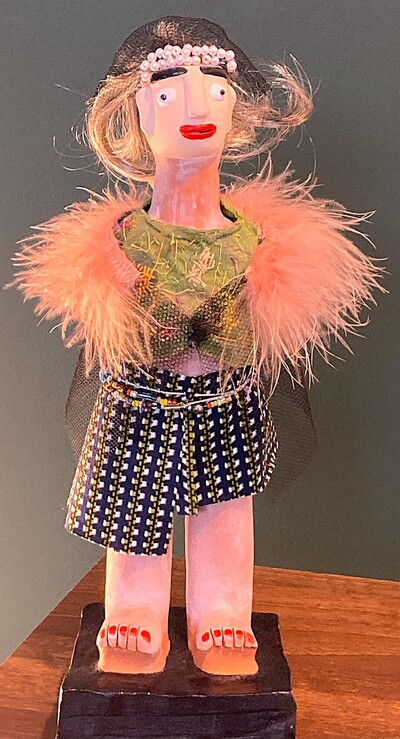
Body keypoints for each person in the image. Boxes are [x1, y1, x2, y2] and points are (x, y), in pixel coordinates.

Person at [11, 16, 385, 676]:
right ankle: (134, 611)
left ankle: (223, 613)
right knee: (135, 512)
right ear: (132, 112)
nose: (194, 107)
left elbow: (267, 324)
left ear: (236, 108)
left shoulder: (260, 243)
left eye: (215, 90)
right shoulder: (118, 242)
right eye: (166, 91)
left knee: (225, 510)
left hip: (224, 396)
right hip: (139, 400)